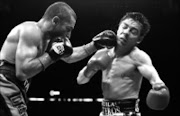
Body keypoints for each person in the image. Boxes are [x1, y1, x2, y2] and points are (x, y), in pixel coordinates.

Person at [0, 1, 117, 116]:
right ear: (55, 21)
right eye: (68, 29)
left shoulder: (47, 39)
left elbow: (69, 57)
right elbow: (22, 72)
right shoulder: (31, 31)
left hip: (15, 85)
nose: (69, 35)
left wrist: (94, 45)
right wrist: (53, 54)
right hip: (5, 81)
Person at [77, 12, 170, 116]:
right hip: (106, 112)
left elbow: (154, 77)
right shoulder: (102, 53)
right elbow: (80, 80)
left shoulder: (139, 57)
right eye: (124, 27)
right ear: (118, 28)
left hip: (128, 112)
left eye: (133, 31)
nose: (125, 32)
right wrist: (90, 68)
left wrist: (158, 85)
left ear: (139, 39)